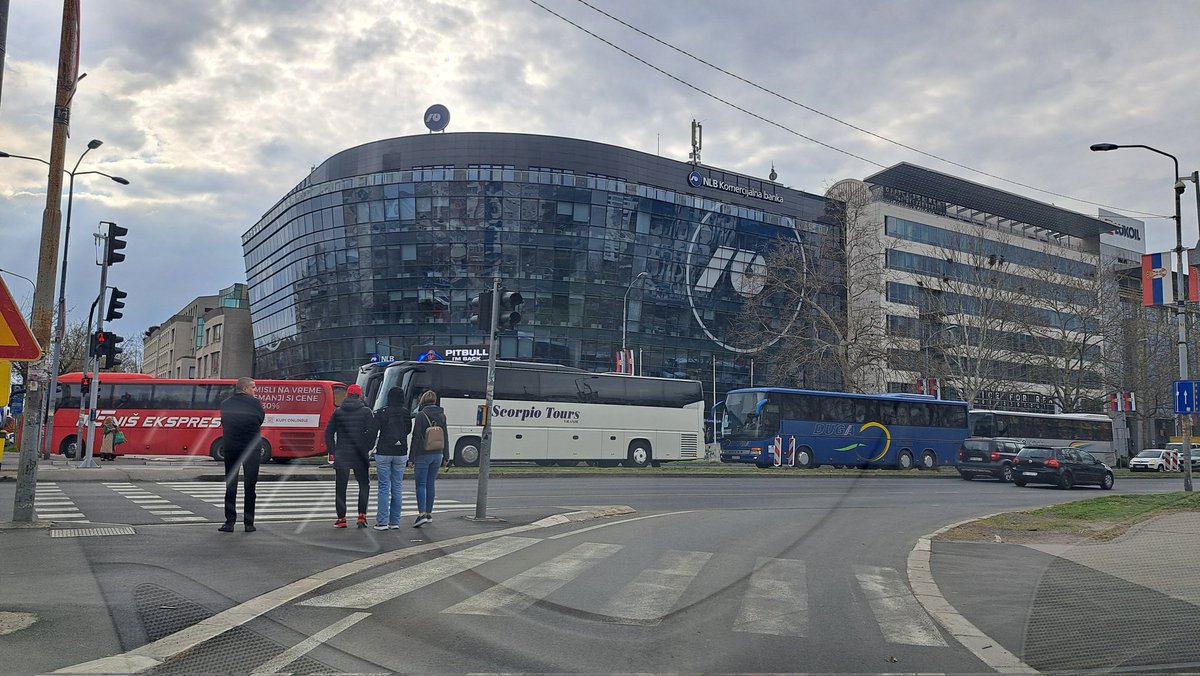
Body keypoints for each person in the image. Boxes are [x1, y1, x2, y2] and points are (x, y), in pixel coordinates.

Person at [325, 384, 379, 528]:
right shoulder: (366, 412)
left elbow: (328, 433)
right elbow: (372, 432)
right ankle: (361, 516)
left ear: (347, 395)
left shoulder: (338, 412)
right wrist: (367, 447)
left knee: (341, 487)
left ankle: (341, 518)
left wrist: (333, 451)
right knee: (363, 485)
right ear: (360, 395)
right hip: (360, 454)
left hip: (342, 454)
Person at [218, 377, 265, 533]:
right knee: (250, 485)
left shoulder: (225, 404)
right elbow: (260, 420)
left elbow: (225, 422)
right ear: (244, 389)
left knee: (231, 484)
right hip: (251, 448)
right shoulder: (256, 403)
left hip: (232, 447)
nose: (255, 390)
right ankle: (249, 523)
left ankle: (229, 522)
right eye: (253, 387)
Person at [408, 389, 448, 527]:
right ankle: (429, 513)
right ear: (435, 401)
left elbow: (416, 437)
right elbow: (445, 436)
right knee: (430, 484)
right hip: (438, 453)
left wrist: (411, 457)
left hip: (422, 453)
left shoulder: (421, 415)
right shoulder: (442, 415)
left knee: (421, 485)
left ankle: (421, 514)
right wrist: (446, 456)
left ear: (423, 400)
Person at [373, 387, 411, 530]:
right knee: (397, 486)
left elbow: (376, 429)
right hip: (401, 452)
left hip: (384, 451)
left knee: (384, 487)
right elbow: (408, 430)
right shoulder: (406, 413)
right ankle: (394, 521)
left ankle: (382, 522)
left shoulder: (382, 412)